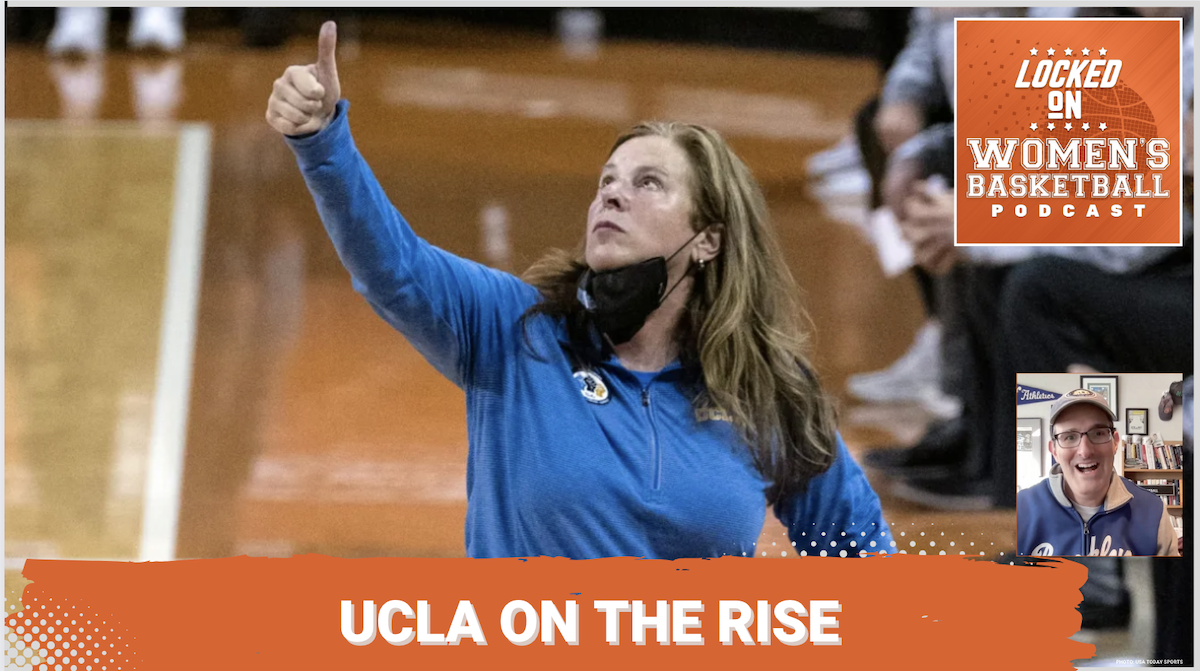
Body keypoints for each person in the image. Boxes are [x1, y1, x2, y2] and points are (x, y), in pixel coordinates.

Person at [265, 22, 889, 559]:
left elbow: (863, 555)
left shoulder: (767, 391)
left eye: (648, 183)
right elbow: (392, 268)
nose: (612, 194)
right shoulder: (515, 331)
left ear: (708, 240)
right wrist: (324, 144)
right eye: (608, 180)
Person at [1017, 389, 1180, 557]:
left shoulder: (1153, 511)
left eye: (1098, 433)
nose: (1085, 451)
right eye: (1069, 437)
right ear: (1055, 451)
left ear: (1115, 442)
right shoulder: (1019, 510)